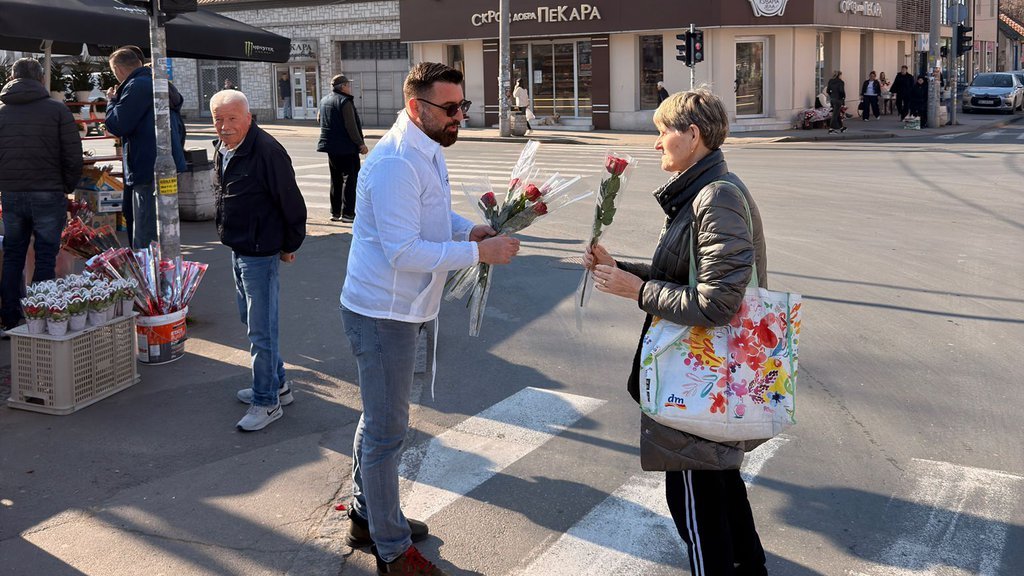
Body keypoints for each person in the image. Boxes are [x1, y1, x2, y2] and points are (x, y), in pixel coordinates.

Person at [339, 62, 520, 575]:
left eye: (462, 106)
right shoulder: (399, 161)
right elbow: (404, 251)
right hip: (383, 313)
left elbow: (434, 220)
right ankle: (392, 550)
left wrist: (472, 232)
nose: (459, 116)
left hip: (402, 309)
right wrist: (478, 256)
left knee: (380, 421)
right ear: (417, 107)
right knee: (385, 430)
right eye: (450, 108)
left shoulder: (426, 148)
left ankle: (366, 514)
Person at [584, 87, 769, 576]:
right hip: (702, 377)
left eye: (663, 131)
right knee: (719, 488)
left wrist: (636, 291)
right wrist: (620, 268)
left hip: (698, 382)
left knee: (699, 507)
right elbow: (688, 276)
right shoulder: (706, 193)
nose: (656, 142)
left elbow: (717, 303)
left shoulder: (716, 197)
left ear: (694, 135)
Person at [210, 89, 307, 431]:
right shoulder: (223, 148)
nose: (224, 126)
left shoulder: (267, 151)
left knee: (261, 331)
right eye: (218, 119)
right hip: (239, 247)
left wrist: (289, 244)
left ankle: (266, 402)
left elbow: (292, 204)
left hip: (261, 251)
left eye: (232, 119)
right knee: (250, 320)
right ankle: (277, 383)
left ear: (248, 118)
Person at [0, 58, 82, 331]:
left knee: (13, 255)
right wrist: (67, 186)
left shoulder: (1, 111)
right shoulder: (56, 111)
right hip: (48, 192)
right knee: (46, 256)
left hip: (11, 193)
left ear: (12, 77)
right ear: (41, 78)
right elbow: (72, 154)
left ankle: (10, 317)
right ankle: (39, 318)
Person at [104, 47, 186, 249]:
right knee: (163, 227)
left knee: (145, 231)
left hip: (146, 166)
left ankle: (148, 275)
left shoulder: (137, 86)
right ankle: (160, 270)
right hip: (166, 164)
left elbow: (117, 124)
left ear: (118, 70)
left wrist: (111, 101)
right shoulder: (159, 84)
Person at [317, 74, 367, 223]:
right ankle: (348, 213)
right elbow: (351, 126)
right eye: (348, 85)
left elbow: (320, 119)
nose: (350, 87)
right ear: (343, 86)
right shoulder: (345, 102)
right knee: (350, 179)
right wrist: (360, 144)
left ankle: (335, 212)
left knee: (336, 179)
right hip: (346, 148)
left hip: (331, 147)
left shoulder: (324, 100)